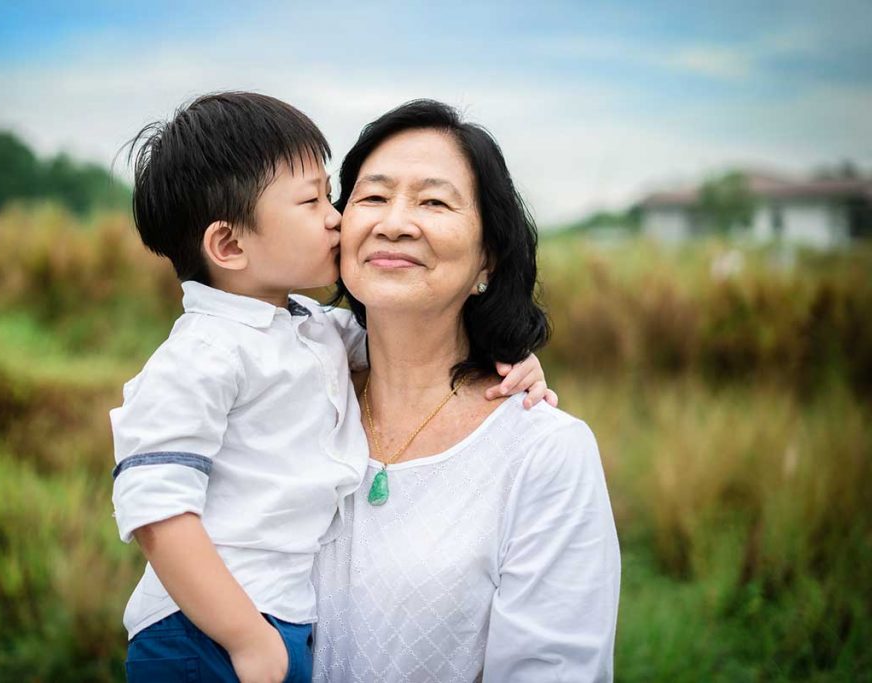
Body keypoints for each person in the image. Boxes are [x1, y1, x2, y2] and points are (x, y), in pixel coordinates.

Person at [109, 92, 552, 683]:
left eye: (331, 194)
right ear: (230, 246)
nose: (336, 217)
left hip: (279, 621)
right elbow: (156, 507)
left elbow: (412, 341)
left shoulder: (310, 329)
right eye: (312, 200)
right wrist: (244, 637)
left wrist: (512, 360)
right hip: (202, 632)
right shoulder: (202, 353)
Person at [312, 100, 621, 682]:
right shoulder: (287, 395)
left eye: (434, 201)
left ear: (489, 257)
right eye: (372, 197)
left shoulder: (542, 452)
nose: (395, 222)